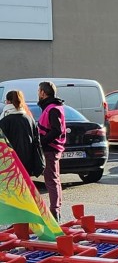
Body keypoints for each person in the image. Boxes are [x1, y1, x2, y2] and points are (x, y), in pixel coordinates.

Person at [37, 81, 66, 222]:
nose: (38, 93)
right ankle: (56, 210)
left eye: (39, 91)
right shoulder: (51, 107)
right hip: (52, 148)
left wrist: (42, 141)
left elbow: (57, 130)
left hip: (51, 149)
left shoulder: (52, 109)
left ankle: (55, 212)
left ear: (43, 93)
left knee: (51, 180)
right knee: (54, 180)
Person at [0, 90, 42, 175]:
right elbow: (36, 139)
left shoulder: (4, 120)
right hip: (28, 159)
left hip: (10, 161)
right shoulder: (29, 119)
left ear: (8, 102)